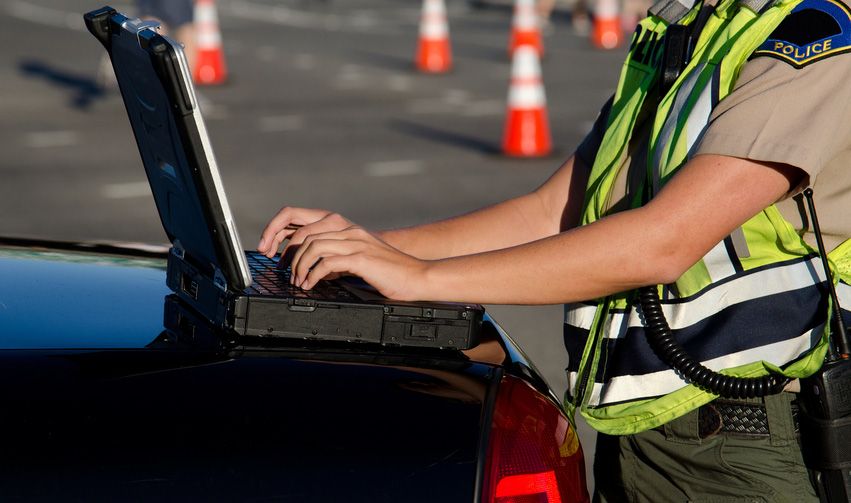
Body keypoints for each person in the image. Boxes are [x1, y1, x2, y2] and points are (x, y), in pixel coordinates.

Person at [257, 0, 851, 499]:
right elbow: (552, 210)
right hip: (645, 430)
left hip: (746, 441)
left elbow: (664, 243)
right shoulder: (692, 24)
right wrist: (366, 248)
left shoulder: (815, 38)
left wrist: (420, 277)